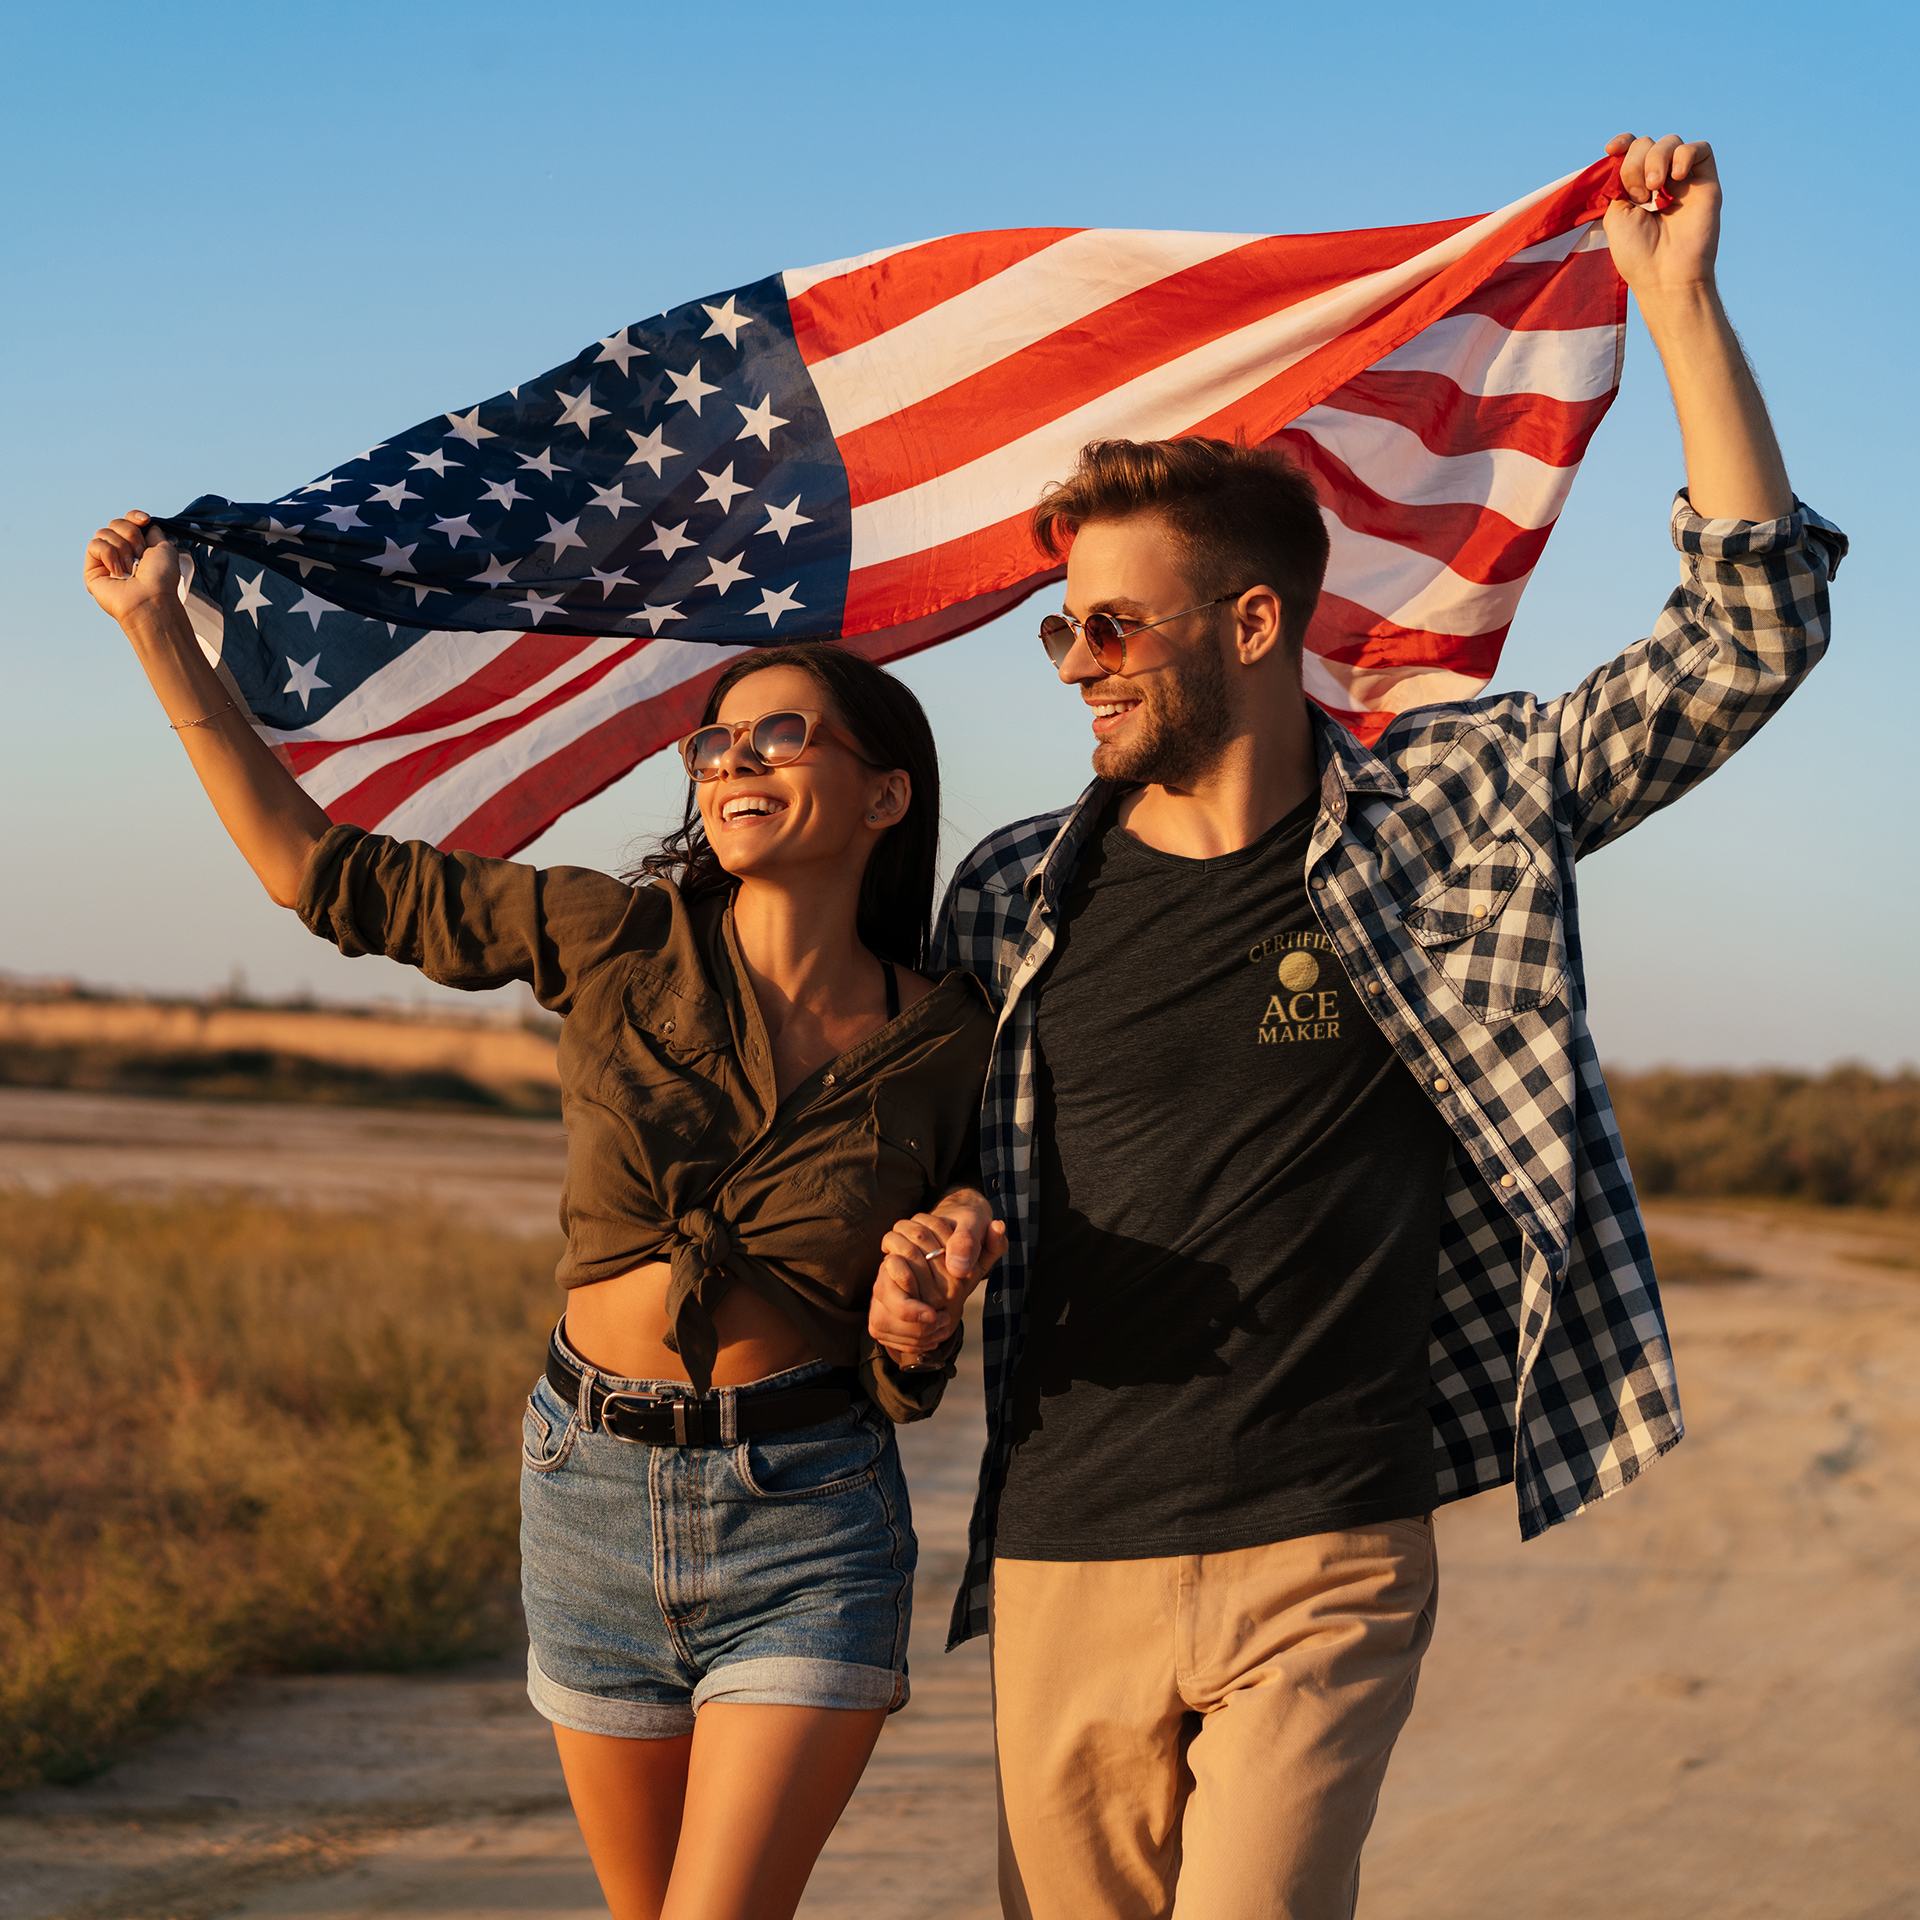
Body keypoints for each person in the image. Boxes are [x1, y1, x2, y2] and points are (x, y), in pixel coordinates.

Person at [880, 131, 1848, 1917]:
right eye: (1060, 633)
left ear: (1254, 622)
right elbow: (929, 1213)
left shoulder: (1445, 816)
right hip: (1064, 1549)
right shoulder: (1010, 897)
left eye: (1111, 626)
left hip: (1323, 1545)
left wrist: (1681, 308)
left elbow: (1747, 633)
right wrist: (917, 1283)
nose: (1076, 660)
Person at [76, 524, 1002, 1920]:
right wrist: (155, 629)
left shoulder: (950, 1044)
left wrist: (920, 1315)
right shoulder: (611, 935)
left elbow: (913, 1338)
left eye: (781, 734)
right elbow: (313, 873)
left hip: (807, 1513)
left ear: (884, 796)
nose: (733, 761)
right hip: (588, 1494)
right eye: (716, 743)